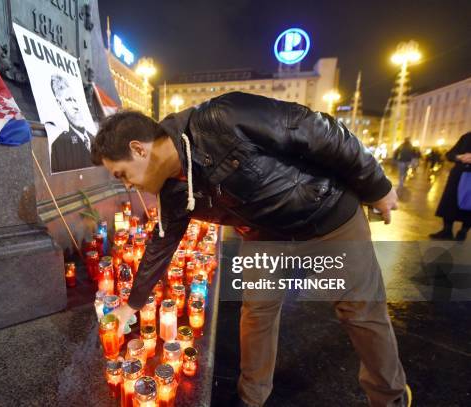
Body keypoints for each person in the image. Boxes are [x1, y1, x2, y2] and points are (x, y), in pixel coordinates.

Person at [91, 92, 411, 407]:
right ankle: (252, 396)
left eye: (122, 174)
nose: (127, 186)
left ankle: (389, 396)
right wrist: (130, 306)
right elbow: (162, 244)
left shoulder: (222, 118)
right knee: (257, 314)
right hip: (264, 236)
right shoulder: (171, 189)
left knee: (360, 312)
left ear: (139, 149)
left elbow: (317, 131)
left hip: (326, 215)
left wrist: (377, 187)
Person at [429, 132, 471, 241]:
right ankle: (447, 230)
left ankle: (463, 231)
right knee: (450, 202)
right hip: (458, 175)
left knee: (469, 203)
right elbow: (450, 154)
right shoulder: (466, 136)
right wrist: (459, 157)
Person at [49, 74, 94, 172]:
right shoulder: (58, 145)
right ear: (60, 104)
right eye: (69, 100)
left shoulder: (94, 139)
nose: (76, 106)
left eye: (76, 100)